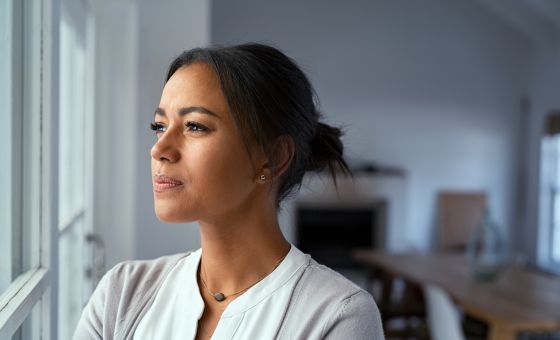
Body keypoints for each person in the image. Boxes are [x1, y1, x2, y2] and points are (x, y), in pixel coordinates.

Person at [73, 43, 384, 340]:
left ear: (273, 157)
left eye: (195, 126)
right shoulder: (122, 293)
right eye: (159, 126)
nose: (160, 149)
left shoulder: (338, 316)